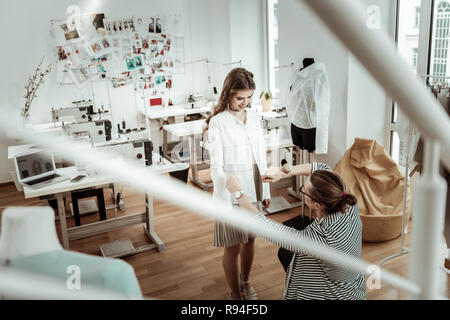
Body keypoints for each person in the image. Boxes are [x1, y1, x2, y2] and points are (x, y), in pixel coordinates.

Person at [225, 162, 366, 300]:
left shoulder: (322, 239)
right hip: (352, 280)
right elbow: (321, 168)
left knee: (287, 254)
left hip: (334, 294)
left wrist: (238, 193)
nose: (302, 189)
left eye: (303, 190)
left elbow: (265, 227)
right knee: (285, 254)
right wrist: (283, 172)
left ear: (316, 205)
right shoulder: (345, 201)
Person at [203, 67, 271, 300]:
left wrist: (266, 188)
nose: (245, 103)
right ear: (228, 94)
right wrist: (226, 197)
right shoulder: (218, 123)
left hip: (253, 185)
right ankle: (235, 294)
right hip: (230, 192)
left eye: (249, 97)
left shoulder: (253, 118)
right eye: (240, 98)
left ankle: (245, 282)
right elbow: (216, 167)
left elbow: (260, 156)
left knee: (250, 239)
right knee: (232, 246)